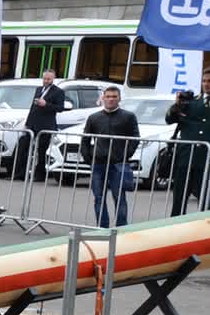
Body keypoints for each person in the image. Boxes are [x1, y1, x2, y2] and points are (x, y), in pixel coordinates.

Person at [165, 66, 210, 215]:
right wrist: (176, 106)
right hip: (186, 155)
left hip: (208, 157)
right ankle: (175, 225)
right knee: (179, 195)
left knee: (205, 197)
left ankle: (205, 226)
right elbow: (170, 119)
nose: (206, 84)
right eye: (204, 81)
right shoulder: (191, 102)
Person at [79, 86, 140, 229]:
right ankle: (102, 227)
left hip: (118, 165)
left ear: (119, 98)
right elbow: (85, 140)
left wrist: (125, 155)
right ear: (103, 98)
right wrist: (89, 158)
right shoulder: (94, 118)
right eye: (108, 96)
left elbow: (135, 138)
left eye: (114, 96)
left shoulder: (128, 117)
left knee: (120, 198)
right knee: (99, 198)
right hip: (98, 164)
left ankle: (121, 228)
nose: (111, 99)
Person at [22, 69, 67, 182]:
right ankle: (21, 173)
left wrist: (46, 104)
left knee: (42, 151)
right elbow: (33, 107)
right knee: (24, 147)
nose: (46, 81)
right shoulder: (39, 89)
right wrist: (27, 123)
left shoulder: (58, 92)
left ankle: (40, 175)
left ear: (53, 79)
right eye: (44, 78)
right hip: (33, 124)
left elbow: (60, 108)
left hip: (46, 125)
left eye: (48, 79)